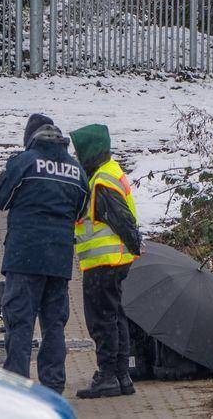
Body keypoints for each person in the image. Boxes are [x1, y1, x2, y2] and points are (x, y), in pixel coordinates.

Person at [0, 113, 88, 395]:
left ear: (30, 137)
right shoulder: (75, 170)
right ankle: (53, 385)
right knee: (54, 324)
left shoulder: (25, 162)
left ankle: (16, 386)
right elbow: (81, 211)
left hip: (25, 257)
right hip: (58, 260)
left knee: (20, 323)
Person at [70, 123, 141, 399]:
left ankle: (108, 375)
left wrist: (135, 242)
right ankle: (122, 375)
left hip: (104, 261)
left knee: (101, 319)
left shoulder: (101, 181)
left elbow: (122, 218)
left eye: (79, 153)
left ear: (90, 153)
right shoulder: (109, 173)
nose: (77, 158)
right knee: (115, 316)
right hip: (114, 260)